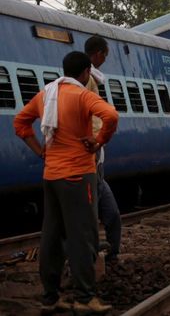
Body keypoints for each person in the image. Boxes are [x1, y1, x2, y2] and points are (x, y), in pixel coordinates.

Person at [13, 51, 119, 314]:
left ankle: (50, 298)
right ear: (86, 73)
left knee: (52, 236)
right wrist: (99, 141)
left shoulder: (45, 95)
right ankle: (84, 298)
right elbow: (111, 116)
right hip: (78, 175)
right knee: (82, 236)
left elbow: (20, 123)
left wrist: (40, 151)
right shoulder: (82, 95)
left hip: (51, 176)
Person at [84, 35, 122, 261]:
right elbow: (106, 116)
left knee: (110, 212)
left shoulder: (91, 79)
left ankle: (111, 253)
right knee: (94, 211)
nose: (105, 60)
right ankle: (92, 256)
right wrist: (98, 141)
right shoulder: (86, 79)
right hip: (91, 156)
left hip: (97, 157)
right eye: (105, 55)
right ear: (97, 54)